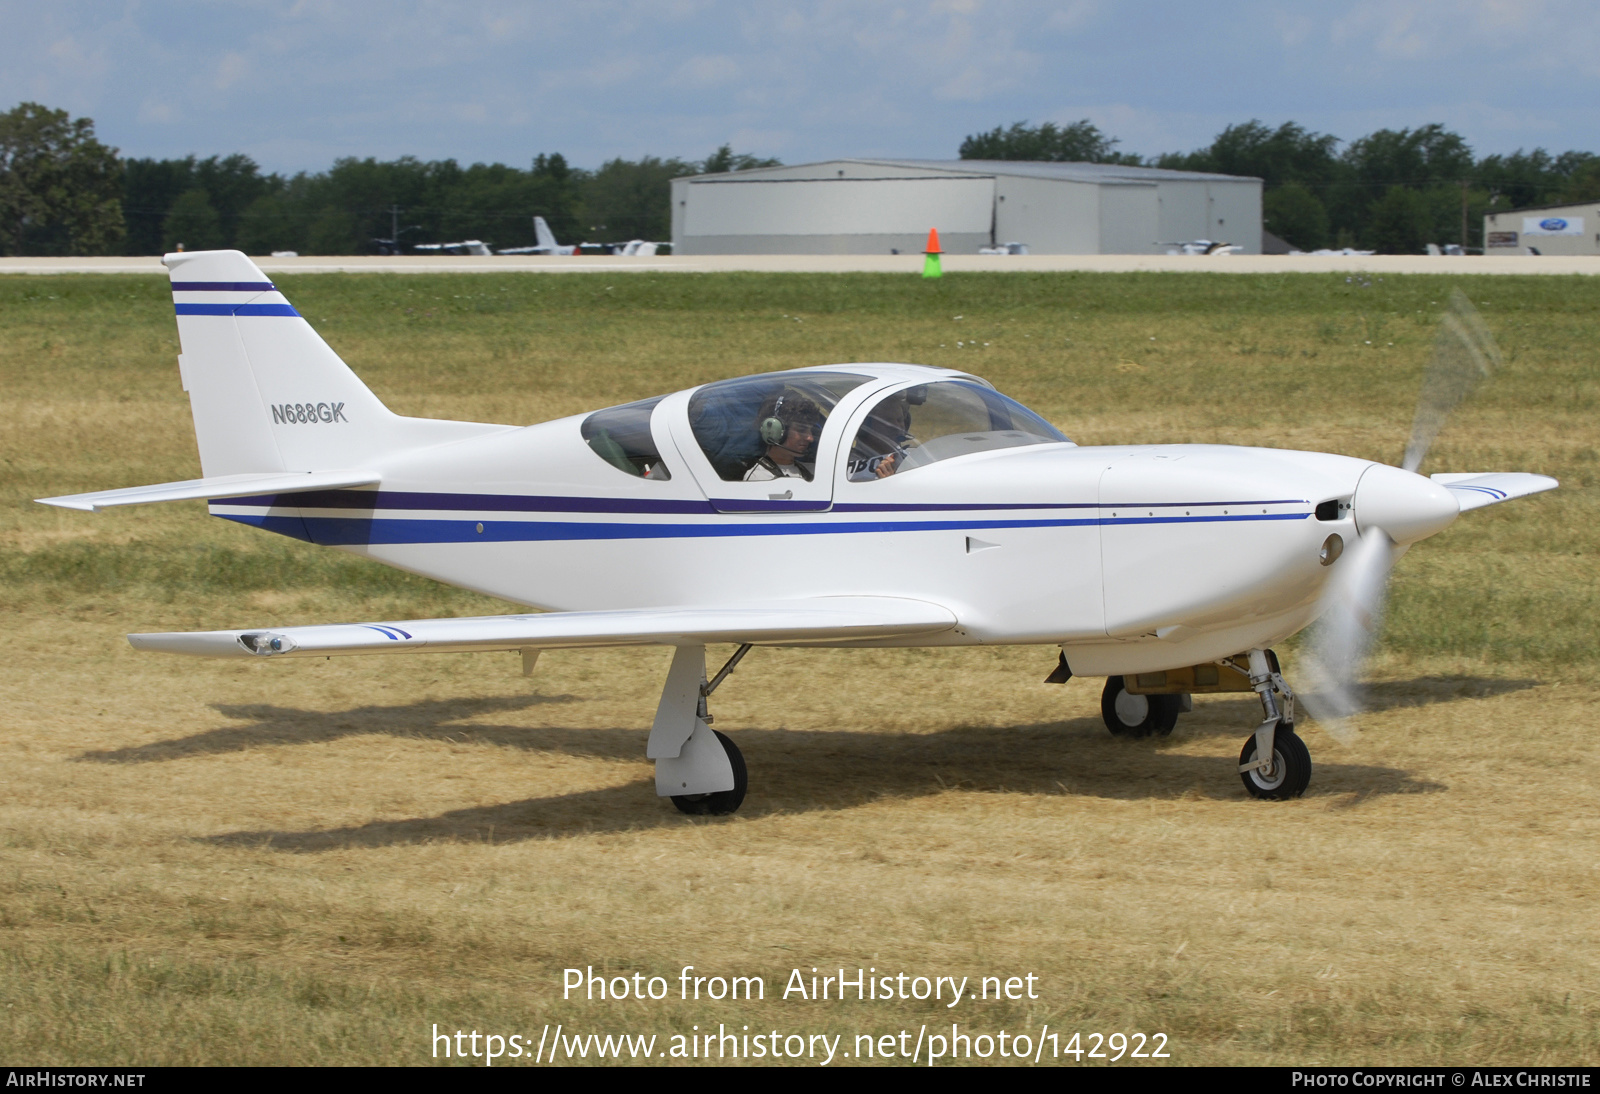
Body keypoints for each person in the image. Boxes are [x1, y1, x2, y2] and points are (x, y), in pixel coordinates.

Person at [744, 392, 822, 481]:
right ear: (774, 431)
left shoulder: (814, 471)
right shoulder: (759, 478)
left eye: (811, 431)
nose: (810, 438)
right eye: (801, 430)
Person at [847, 389, 913, 480]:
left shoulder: (904, 455)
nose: (897, 427)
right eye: (887, 422)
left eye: (899, 420)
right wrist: (888, 482)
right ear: (866, 426)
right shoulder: (853, 469)